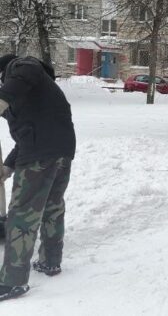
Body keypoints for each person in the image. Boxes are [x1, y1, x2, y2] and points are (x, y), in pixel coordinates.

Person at [0, 54, 76, 301]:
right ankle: (50, 262)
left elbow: (23, 74)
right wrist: (8, 167)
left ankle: (12, 281)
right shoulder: (38, 94)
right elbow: (27, 134)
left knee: (22, 215)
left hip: (41, 156)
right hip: (60, 152)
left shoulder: (24, 67)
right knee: (53, 208)